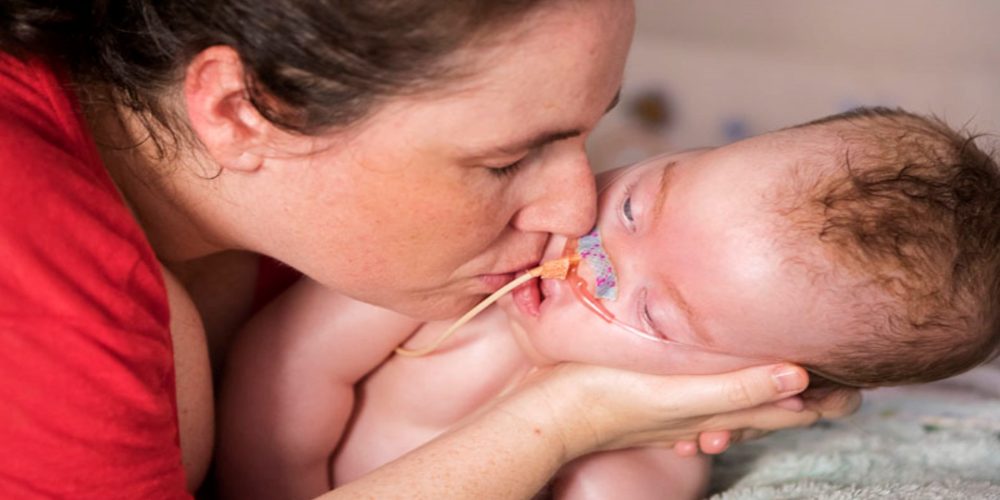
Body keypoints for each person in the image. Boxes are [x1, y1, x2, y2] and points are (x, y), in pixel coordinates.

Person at [0, 1, 859, 497]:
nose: (573, 207)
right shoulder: (47, 291)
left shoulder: (286, 217)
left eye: (588, 133)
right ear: (237, 112)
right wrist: (564, 420)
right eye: (508, 158)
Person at [217, 107, 1000, 499]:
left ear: (754, 381)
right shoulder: (459, 273)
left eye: (655, 313)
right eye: (635, 207)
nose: (593, 256)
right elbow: (283, 366)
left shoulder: (636, 468)